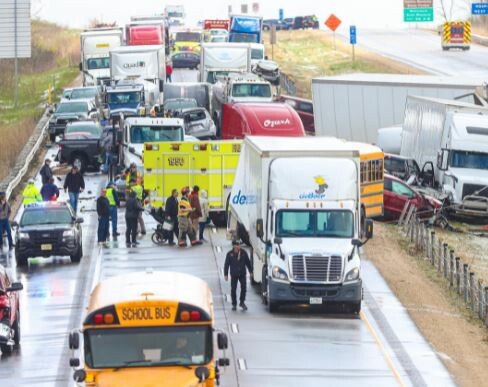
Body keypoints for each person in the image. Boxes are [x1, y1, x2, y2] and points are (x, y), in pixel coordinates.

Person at [224, 240, 252, 311]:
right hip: (234, 274)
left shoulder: (243, 253)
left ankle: (242, 302)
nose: (238, 246)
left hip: (242, 273)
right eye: (237, 245)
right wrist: (226, 274)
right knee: (233, 289)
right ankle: (234, 304)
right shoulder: (230, 254)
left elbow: (248, 262)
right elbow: (226, 264)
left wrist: (251, 271)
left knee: (244, 288)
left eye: (239, 244)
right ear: (234, 246)